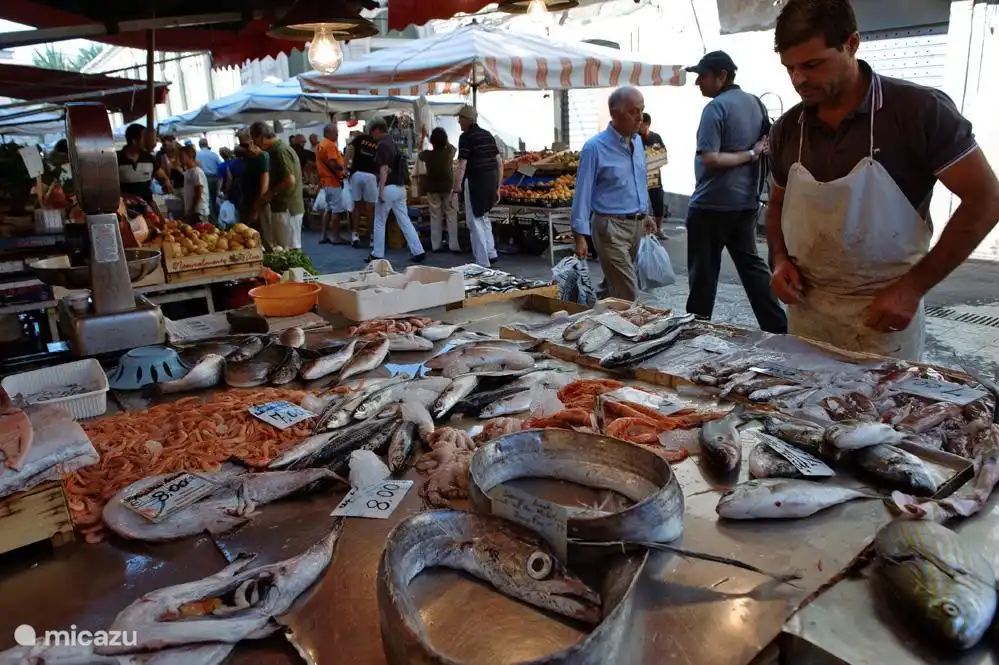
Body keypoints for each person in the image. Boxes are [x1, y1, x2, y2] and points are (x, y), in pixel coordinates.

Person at [767, 0, 999, 359]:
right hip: (808, 316)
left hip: (885, 321)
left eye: (812, 65)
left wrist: (914, 287)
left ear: (852, 44)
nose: (798, 80)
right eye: (790, 68)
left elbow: (986, 199)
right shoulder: (787, 129)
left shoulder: (919, 112)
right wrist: (780, 259)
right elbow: (777, 205)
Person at [683, 51, 788, 334]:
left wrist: (750, 154)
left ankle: (695, 332)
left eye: (702, 76)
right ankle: (779, 330)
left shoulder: (715, 108)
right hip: (745, 204)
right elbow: (768, 143)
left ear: (722, 76)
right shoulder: (755, 103)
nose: (698, 82)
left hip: (710, 205)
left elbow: (710, 158)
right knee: (752, 269)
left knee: (703, 276)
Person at [571, 87, 658, 301]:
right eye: (633, 111)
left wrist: (646, 212)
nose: (640, 117)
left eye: (642, 110)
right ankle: (625, 322)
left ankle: (592, 310)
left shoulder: (637, 142)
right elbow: (582, 193)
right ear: (614, 113)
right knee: (628, 292)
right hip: (610, 227)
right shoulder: (595, 147)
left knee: (613, 287)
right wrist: (579, 236)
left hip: (636, 225)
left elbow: (639, 179)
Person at [369, 118, 426, 263]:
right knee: (404, 220)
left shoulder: (382, 145)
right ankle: (418, 250)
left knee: (380, 221)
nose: (371, 135)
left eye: (371, 132)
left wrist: (381, 190)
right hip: (400, 188)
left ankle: (377, 254)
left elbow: (384, 168)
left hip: (388, 187)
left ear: (376, 130)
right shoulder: (393, 143)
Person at [453, 105, 502, 267]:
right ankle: (491, 253)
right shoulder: (487, 135)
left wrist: (457, 187)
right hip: (491, 179)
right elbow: (499, 163)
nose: (458, 121)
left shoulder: (465, 137)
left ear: (466, 119)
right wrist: (497, 187)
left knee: (474, 220)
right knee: (484, 216)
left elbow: (462, 164)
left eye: (460, 118)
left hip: (476, 180)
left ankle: (482, 260)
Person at [250, 121, 303, 249]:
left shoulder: (280, 151)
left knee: (288, 249)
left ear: (261, 137)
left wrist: (270, 193)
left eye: (254, 140)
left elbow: (290, 180)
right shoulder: (278, 150)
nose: (254, 144)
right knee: (286, 249)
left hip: (286, 208)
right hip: (285, 207)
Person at [419, 127, 460, 253]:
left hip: (432, 188)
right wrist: (443, 140)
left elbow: (419, 152)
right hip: (447, 187)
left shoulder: (427, 155)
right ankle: (453, 245)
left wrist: (424, 137)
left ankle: (436, 245)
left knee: (435, 216)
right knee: (451, 215)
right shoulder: (448, 153)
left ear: (432, 142)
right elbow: (453, 147)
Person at [118, 124, 171, 212]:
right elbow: (110, 189)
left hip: (147, 208)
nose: (148, 141)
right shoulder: (117, 158)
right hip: (125, 210)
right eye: (144, 138)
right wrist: (126, 196)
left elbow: (163, 177)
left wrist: (166, 182)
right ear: (134, 141)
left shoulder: (149, 158)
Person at [346, 126, 381, 248]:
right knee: (369, 208)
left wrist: (346, 167)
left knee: (356, 206)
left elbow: (349, 151)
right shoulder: (377, 142)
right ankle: (372, 237)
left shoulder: (358, 139)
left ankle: (355, 235)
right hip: (370, 175)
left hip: (356, 174)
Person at [316, 123, 348, 244]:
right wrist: (344, 168)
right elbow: (332, 163)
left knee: (329, 208)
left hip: (326, 181)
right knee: (336, 210)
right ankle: (336, 237)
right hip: (333, 181)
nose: (337, 134)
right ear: (328, 133)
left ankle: (323, 235)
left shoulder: (321, 144)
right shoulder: (330, 145)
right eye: (335, 132)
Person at [639, 113, 668, 230]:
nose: (638, 125)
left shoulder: (656, 137)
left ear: (647, 124)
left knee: (658, 203)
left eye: (640, 123)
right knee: (641, 204)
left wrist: (648, 157)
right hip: (640, 176)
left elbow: (663, 155)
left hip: (653, 175)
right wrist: (651, 155)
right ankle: (643, 230)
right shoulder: (635, 138)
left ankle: (658, 230)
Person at [239, 130, 270, 236]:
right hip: (247, 202)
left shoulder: (263, 157)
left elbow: (264, 185)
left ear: (253, 141)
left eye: (246, 145)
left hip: (258, 203)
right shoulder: (246, 157)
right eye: (242, 145)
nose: (245, 148)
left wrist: (256, 209)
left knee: (262, 236)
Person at [179, 144, 210, 223]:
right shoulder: (188, 172)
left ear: (190, 156)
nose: (180, 158)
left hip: (198, 211)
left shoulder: (197, 172)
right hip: (192, 211)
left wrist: (192, 210)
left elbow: (198, 193)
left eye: (182, 156)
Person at [196, 138, 223, 220]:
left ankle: (212, 219)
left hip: (204, 178)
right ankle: (216, 217)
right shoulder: (214, 154)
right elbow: (220, 165)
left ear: (199, 145)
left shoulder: (197, 155)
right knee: (214, 199)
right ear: (207, 144)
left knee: (207, 199)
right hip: (215, 179)